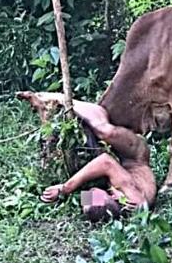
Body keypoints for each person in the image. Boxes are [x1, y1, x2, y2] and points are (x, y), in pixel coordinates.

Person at [16, 91, 157, 221]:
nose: (88, 193)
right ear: (112, 196)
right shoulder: (132, 198)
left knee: (62, 151)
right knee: (105, 132)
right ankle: (61, 98)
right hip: (134, 155)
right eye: (93, 193)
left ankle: (44, 108)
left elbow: (86, 197)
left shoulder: (110, 203)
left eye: (88, 196)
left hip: (117, 162)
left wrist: (56, 194)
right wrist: (64, 188)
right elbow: (105, 162)